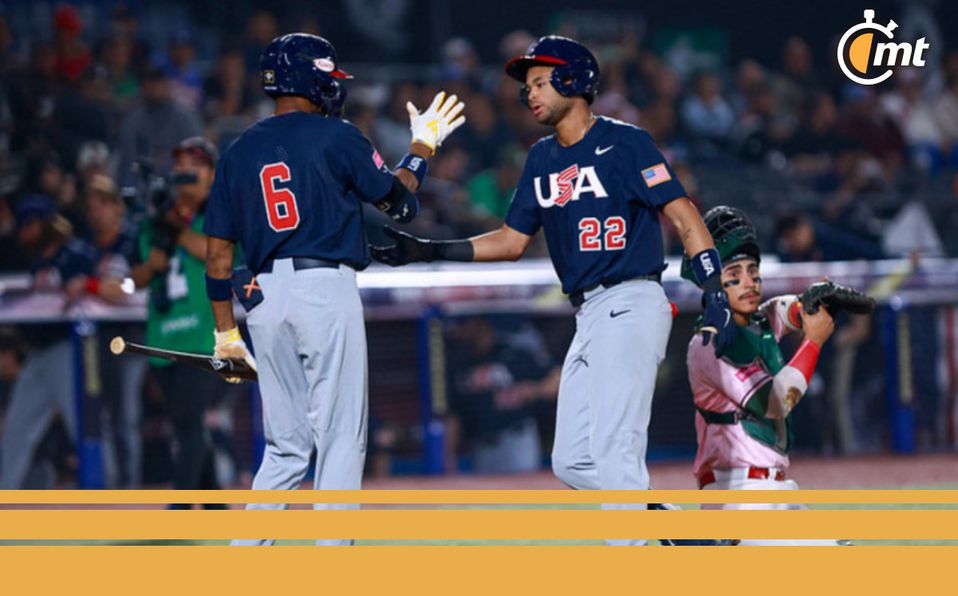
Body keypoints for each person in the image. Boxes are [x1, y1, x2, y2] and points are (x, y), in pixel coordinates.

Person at [371, 35, 735, 546]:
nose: (530, 94)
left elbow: (683, 215)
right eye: (528, 86)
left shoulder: (626, 142)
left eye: (541, 81)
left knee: (614, 448)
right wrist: (429, 250)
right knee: (573, 459)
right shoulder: (541, 157)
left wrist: (714, 290)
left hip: (632, 300)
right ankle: (680, 531)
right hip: (588, 315)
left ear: (574, 81)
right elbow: (511, 240)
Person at [202, 33, 465, 546]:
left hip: (263, 297)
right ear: (312, 79)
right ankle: (333, 557)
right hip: (324, 287)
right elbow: (400, 206)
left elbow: (217, 255)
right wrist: (421, 149)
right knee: (340, 433)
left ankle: (245, 556)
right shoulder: (337, 135)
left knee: (284, 445)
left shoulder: (237, 150)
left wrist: (225, 335)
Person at [682, 206, 844, 545]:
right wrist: (813, 342)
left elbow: (787, 309)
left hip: (773, 493)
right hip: (738, 497)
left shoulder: (759, 321)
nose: (749, 283)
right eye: (734, 275)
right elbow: (774, 404)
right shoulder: (708, 344)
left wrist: (814, 302)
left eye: (753, 272)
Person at [130, 137, 230, 505]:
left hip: (202, 338)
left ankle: (182, 503)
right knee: (186, 424)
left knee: (188, 424)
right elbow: (137, 276)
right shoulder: (155, 221)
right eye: (180, 167)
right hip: (163, 338)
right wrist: (146, 268)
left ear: (212, 175)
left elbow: (212, 253)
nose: (184, 174)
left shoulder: (220, 214)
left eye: (194, 167)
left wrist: (173, 226)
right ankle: (216, 501)